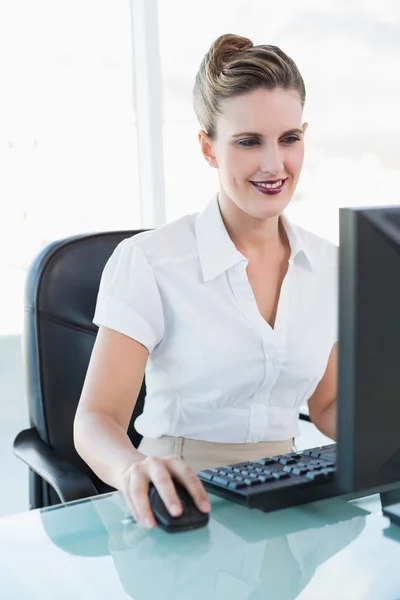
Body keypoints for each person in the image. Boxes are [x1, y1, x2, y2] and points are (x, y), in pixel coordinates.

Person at [74, 33, 338, 530]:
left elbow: (326, 404)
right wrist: (135, 470)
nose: (273, 165)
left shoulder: (329, 267)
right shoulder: (151, 263)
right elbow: (96, 419)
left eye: (288, 139)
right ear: (208, 148)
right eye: (247, 142)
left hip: (289, 500)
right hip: (181, 502)